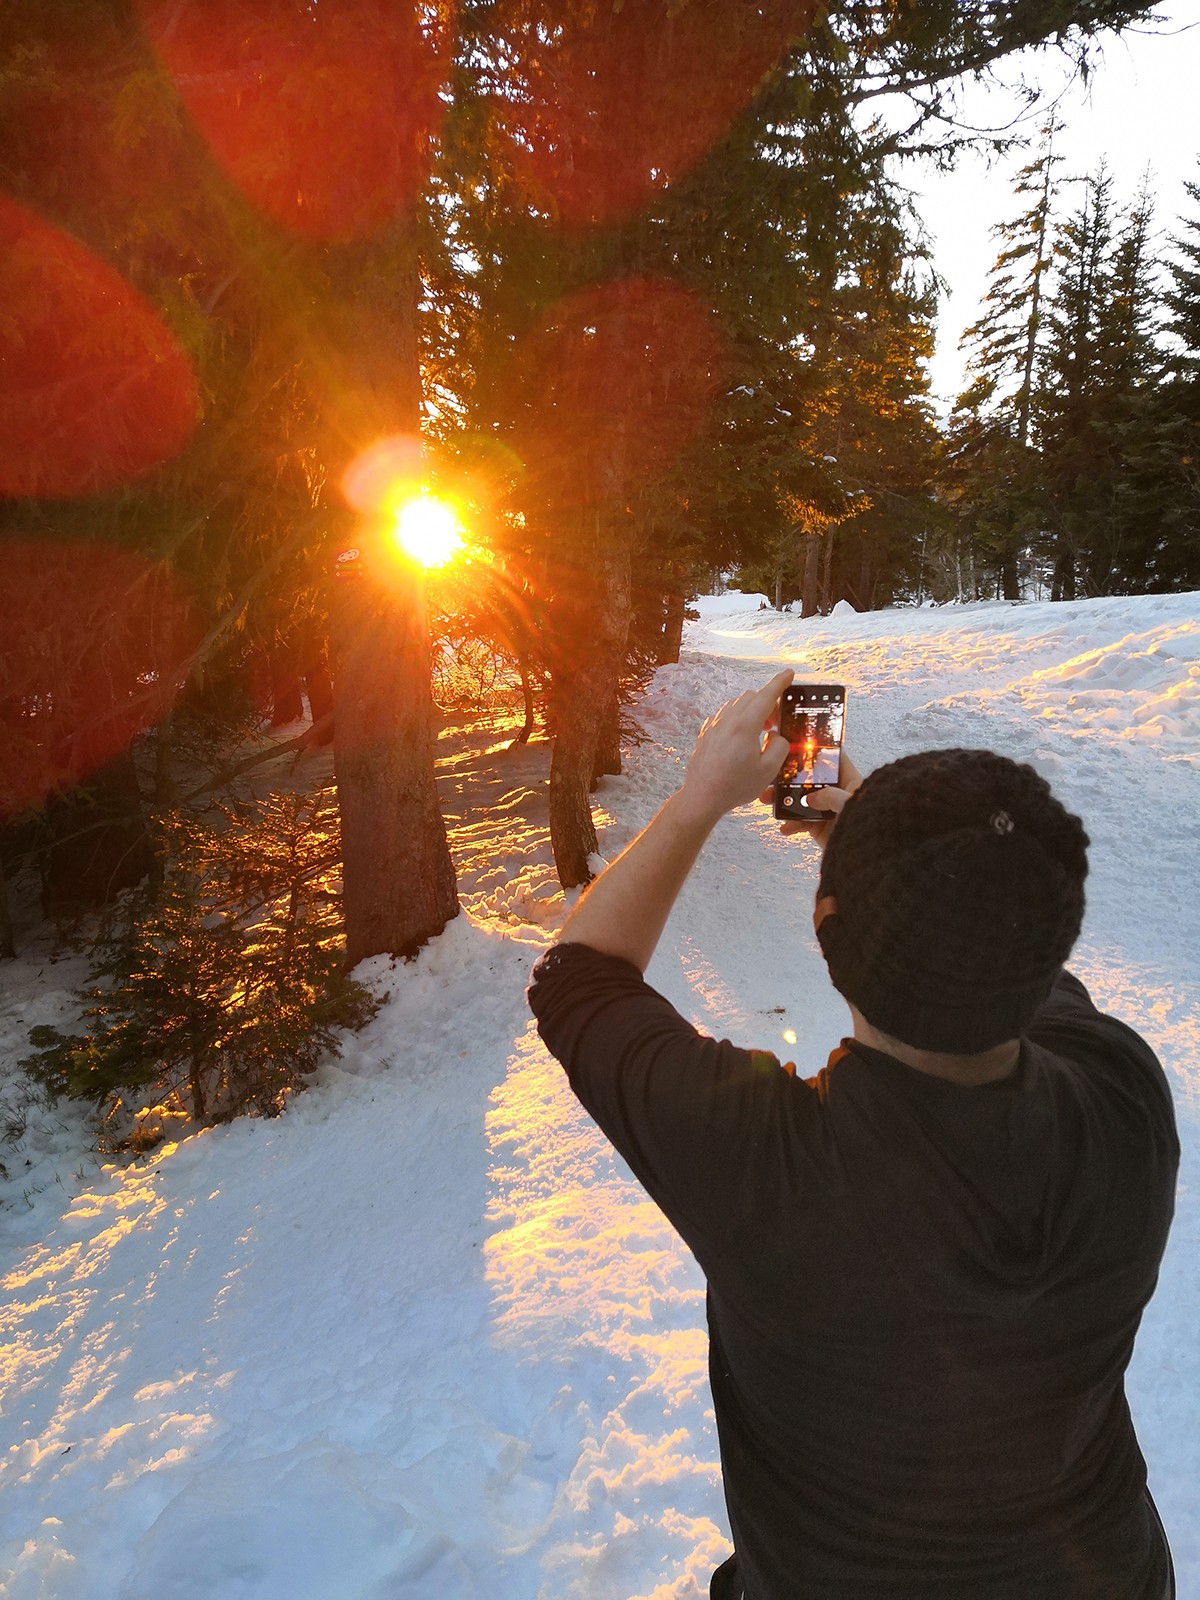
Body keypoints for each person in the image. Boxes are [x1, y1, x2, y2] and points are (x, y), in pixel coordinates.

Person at [527, 669, 1179, 1600]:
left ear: (826, 937)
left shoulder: (766, 1164)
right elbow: (1002, 949)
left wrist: (699, 800)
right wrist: (892, 858)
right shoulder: (1124, 1094)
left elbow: (575, 979)